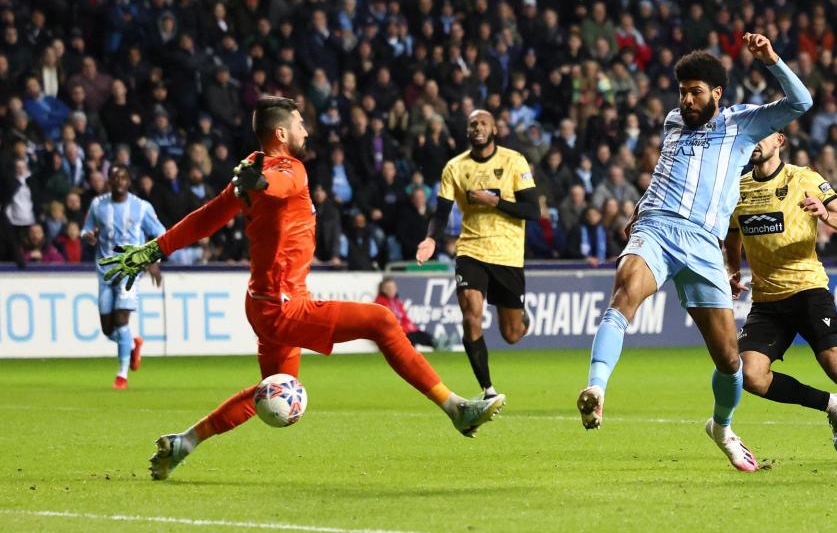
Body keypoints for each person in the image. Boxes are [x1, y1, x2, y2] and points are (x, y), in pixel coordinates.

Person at [99, 97, 504, 481]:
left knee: (272, 389)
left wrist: (154, 248)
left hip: (264, 304)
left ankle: (184, 442)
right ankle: (455, 408)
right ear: (280, 134)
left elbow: (207, 218)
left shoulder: (249, 172)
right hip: (284, 307)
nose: (306, 131)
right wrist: (259, 182)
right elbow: (275, 186)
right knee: (382, 320)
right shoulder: (286, 169)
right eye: (299, 123)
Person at [576, 34, 813, 473]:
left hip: (705, 244)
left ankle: (722, 426)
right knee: (624, 294)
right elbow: (667, 174)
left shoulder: (743, 123)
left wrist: (772, 60)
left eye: (695, 92)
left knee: (729, 361)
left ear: (716, 94)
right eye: (682, 92)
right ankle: (596, 390)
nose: (686, 100)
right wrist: (638, 210)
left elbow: (801, 102)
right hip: (658, 228)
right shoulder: (672, 123)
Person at [723, 130, 837, 463]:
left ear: (779, 140)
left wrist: (825, 215)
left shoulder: (805, 178)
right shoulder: (738, 188)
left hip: (809, 291)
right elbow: (733, 235)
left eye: (762, 136)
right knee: (750, 375)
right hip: (767, 301)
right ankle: (832, 404)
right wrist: (732, 271)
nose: (755, 142)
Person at [415, 109, 539, 399]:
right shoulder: (455, 168)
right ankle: (488, 390)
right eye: (473, 124)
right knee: (471, 314)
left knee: (511, 334)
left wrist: (493, 201)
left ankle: (522, 319)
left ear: (494, 129)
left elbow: (533, 210)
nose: (478, 128)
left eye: (483, 123)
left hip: (507, 254)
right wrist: (431, 239)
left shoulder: (513, 161)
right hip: (471, 250)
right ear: (467, 131)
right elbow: (441, 211)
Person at [82, 165, 164, 389]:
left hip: (130, 271)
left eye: (123, 177)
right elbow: (86, 228)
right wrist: (88, 236)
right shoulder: (98, 205)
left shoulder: (141, 207)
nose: (119, 180)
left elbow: (160, 233)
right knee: (108, 329)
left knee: (121, 320)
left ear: (129, 181)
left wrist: (153, 261)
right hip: (104, 272)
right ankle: (132, 345)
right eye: (115, 177)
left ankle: (122, 374)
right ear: (109, 180)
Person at [375, 277, 438, 349]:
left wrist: (413, 328)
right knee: (412, 337)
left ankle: (437, 342)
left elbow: (405, 318)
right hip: (395, 333)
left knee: (421, 334)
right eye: (389, 288)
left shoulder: (397, 301)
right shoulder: (379, 303)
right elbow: (386, 323)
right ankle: (437, 343)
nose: (392, 290)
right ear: (383, 290)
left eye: (393, 287)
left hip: (404, 331)